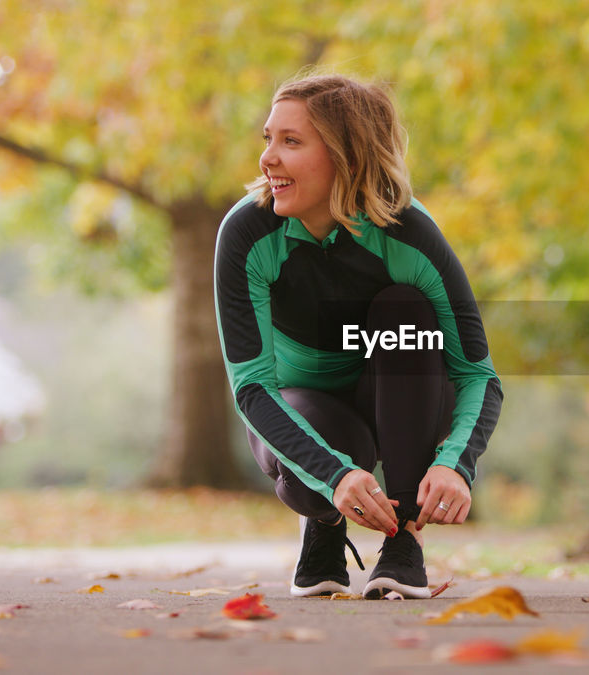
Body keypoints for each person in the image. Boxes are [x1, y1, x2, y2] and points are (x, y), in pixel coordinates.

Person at [213, 73, 502, 599]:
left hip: (399, 396)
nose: (267, 159)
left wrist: (455, 462)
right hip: (308, 406)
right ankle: (323, 528)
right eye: (268, 139)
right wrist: (334, 476)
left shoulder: (409, 233)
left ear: (346, 156)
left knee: (405, 311)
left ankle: (403, 540)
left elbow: (476, 372)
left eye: (291, 141)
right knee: (319, 465)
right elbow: (252, 387)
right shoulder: (247, 233)